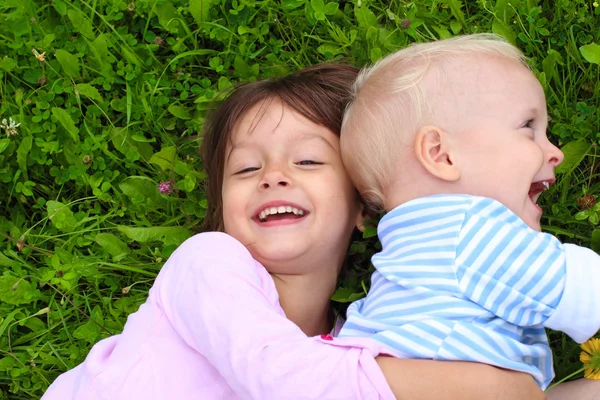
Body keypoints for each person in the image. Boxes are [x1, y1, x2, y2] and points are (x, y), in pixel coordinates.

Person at [42, 63, 545, 400]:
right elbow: (287, 379)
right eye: (243, 170)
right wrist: (497, 387)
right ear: (222, 211)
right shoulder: (210, 263)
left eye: (307, 160)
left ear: (362, 208)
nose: (273, 176)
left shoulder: (356, 340)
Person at [339, 33, 600, 391]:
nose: (554, 152)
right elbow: (588, 291)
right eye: (528, 128)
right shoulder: (470, 230)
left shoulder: (415, 256)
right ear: (441, 155)